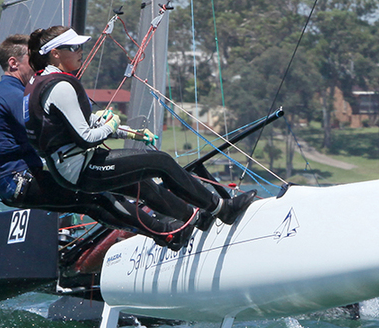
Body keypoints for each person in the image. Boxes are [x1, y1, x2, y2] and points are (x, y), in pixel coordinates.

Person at [0, 34, 194, 250]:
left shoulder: (10, 92)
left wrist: (128, 133)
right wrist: (107, 130)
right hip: (17, 181)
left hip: (17, 181)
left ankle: (177, 224)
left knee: (109, 192)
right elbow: (61, 129)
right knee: (95, 195)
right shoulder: (9, 92)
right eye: (33, 60)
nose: (39, 65)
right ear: (13, 63)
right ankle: (169, 233)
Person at [25, 25, 256, 231]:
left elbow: (79, 127)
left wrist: (129, 132)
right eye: (74, 47)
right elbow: (86, 138)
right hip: (81, 169)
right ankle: (222, 209)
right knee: (160, 162)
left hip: (69, 168)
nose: (80, 51)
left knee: (142, 185)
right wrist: (112, 124)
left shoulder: (41, 82)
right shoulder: (61, 87)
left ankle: (196, 220)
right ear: (55, 53)